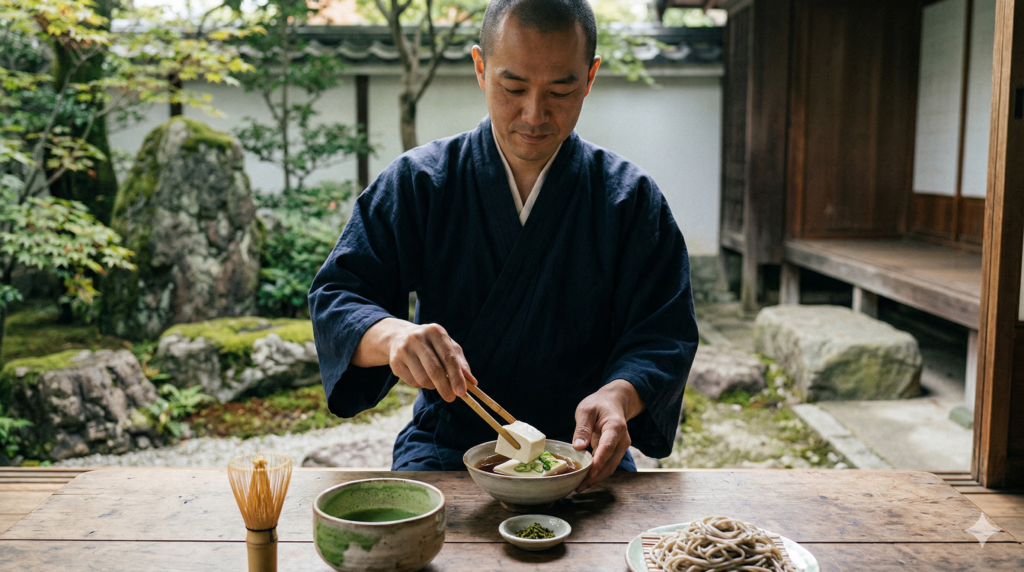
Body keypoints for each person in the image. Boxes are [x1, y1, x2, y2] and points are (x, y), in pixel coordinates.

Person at [308, 0, 698, 492]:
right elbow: (337, 296)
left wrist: (620, 397)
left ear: (591, 76)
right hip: (447, 449)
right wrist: (393, 338)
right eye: (513, 87)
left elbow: (664, 334)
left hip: (579, 455)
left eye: (561, 89)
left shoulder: (627, 199)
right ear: (480, 68)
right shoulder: (421, 183)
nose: (534, 114)